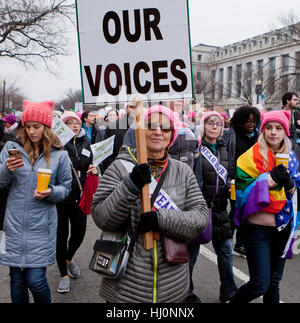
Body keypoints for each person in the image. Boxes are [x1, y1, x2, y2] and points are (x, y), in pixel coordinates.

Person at [91, 104, 209, 303]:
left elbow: (200, 218)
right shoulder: (119, 168)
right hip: (126, 287)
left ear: (171, 135)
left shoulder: (183, 171)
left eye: (165, 128)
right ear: (139, 131)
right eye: (150, 125)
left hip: (172, 286)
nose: (157, 131)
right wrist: (130, 185)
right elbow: (102, 218)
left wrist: (160, 219)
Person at [0, 100, 72, 303]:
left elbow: (66, 188)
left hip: (42, 226)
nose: (31, 132)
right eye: (28, 126)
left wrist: (49, 191)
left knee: (36, 280)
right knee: (16, 280)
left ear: (46, 127)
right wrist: (7, 169)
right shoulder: (11, 148)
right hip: (14, 224)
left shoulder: (60, 154)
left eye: (36, 127)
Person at [231, 110, 300, 303]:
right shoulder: (248, 158)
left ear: (285, 132)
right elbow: (242, 194)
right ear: (263, 131)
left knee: (274, 283)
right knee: (259, 284)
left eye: (278, 128)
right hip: (257, 230)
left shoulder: (291, 157)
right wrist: (268, 180)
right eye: (269, 128)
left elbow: (295, 192)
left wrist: (291, 186)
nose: (273, 132)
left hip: (283, 228)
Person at [190, 111, 237, 303]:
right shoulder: (195, 147)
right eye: (211, 123)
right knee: (190, 255)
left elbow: (230, 171)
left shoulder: (225, 148)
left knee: (225, 252)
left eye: (218, 123)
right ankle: (186, 292)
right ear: (204, 126)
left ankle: (229, 292)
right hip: (198, 208)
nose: (215, 126)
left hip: (219, 208)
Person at [56, 111, 98, 294]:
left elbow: (91, 162)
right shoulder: (57, 143)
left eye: (77, 122)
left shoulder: (85, 141)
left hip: (81, 196)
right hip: (60, 198)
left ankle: (68, 258)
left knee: (79, 233)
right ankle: (63, 274)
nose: (74, 125)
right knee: (60, 236)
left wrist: (93, 170)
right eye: (70, 122)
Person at [223, 106, 261, 257]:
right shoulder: (229, 135)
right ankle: (227, 239)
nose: (251, 124)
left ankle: (240, 244)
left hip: (252, 181)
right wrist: (227, 178)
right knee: (236, 212)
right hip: (235, 180)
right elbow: (225, 158)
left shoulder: (259, 136)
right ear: (240, 122)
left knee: (247, 212)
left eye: (254, 121)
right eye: (247, 121)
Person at [101, 101, 135, 172]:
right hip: (119, 171)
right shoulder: (113, 126)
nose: (134, 109)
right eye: (131, 107)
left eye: (137, 107)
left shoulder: (147, 127)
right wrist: (114, 168)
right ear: (126, 108)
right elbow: (106, 152)